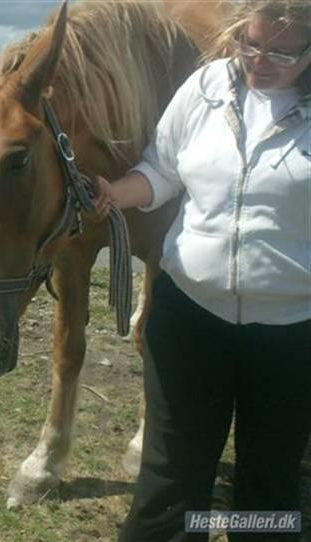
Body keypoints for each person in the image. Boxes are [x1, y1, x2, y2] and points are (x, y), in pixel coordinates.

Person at [90, 1, 311, 540]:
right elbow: (162, 168)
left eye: (282, 52)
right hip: (189, 318)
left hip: (291, 335)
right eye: (251, 44)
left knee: (269, 483)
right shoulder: (207, 86)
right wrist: (117, 195)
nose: (260, 60)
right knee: (169, 479)